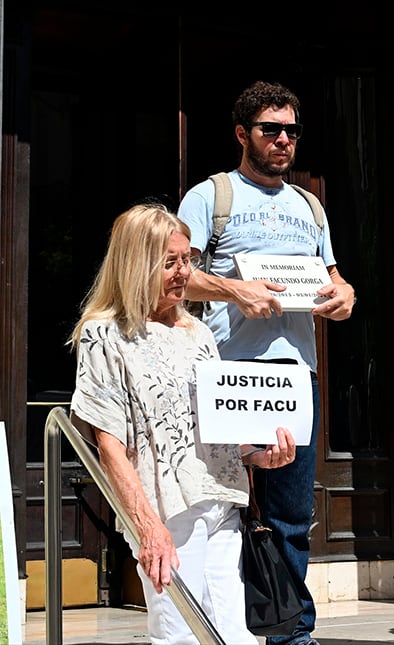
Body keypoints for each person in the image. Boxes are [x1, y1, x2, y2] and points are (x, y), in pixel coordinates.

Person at [69, 204, 297, 644]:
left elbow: (216, 427)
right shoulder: (105, 335)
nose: (183, 272)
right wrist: (147, 527)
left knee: (235, 636)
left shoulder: (199, 332)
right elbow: (108, 442)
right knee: (180, 636)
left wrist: (258, 454)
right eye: (169, 262)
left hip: (222, 505)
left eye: (186, 259)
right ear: (135, 265)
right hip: (166, 510)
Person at [177, 80, 355, 645]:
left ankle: (291, 634)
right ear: (242, 134)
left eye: (291, 132)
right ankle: (221, 629)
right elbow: (176, 275)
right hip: (229, 371)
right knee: (223, 508)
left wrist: (345, 295)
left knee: (292, 516)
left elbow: (333, 277)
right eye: (270, 130)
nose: (283, 140)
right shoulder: (211, 196)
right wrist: (236, 291)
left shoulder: (309, 205)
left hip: (297, 373)